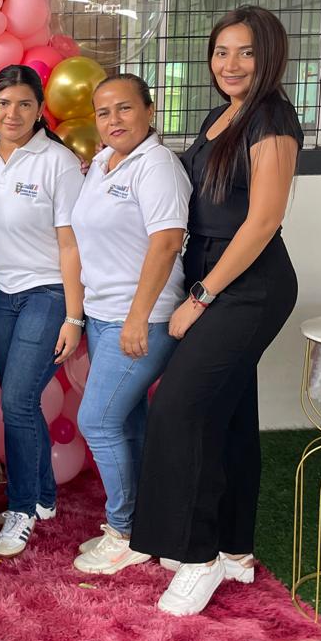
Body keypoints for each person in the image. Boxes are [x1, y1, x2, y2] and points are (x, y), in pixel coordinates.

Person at [131, 6, 303, 616]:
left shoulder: (271, 118)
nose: (230, 64)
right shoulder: (219, 115)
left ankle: (197, 556)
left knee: (180, 408)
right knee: (228, 413)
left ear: (269, 57)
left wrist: (201, 297)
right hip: (210, 270)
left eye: (246, 52)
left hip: (248, 284)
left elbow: (263, 221)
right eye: (221, 51)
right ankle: (233, 549)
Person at [70, 74, 191, 576]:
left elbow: (166, 243)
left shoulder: (157, 166)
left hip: (140, 317)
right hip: (103, 315)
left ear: (149, 110)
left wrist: (138, 317)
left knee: (97, 421)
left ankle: (123, 533)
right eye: (103, 112)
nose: (113, 120)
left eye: (124, 108)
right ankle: (146, 525)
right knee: (127, 421)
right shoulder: (102, 162)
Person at [0, 66, 85, 558]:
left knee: (17, 399)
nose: (13, 113)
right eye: (4, 103)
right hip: (1, 293)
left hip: (47, 293)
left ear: (40, 109)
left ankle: (20, 509)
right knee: (21, 399)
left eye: (24, 104)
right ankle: (43, 495)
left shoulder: (58, 162)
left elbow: (71, 245)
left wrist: (74, 317)